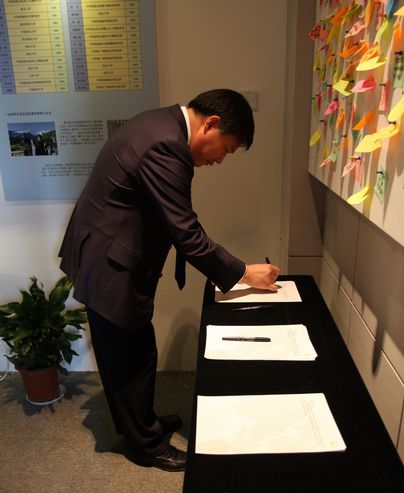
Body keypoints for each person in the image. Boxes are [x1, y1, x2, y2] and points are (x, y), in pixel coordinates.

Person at [59, 89, 280, 472]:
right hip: (109, 264)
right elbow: (186, 233)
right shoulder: (165, 145)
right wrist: (244, 272)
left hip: (108, 252)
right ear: (211, 124)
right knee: (128, 358)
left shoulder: (161, 125)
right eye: (226, 149)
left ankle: (143, 425)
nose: (219, 160)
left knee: (135, 350)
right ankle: (145, 446)